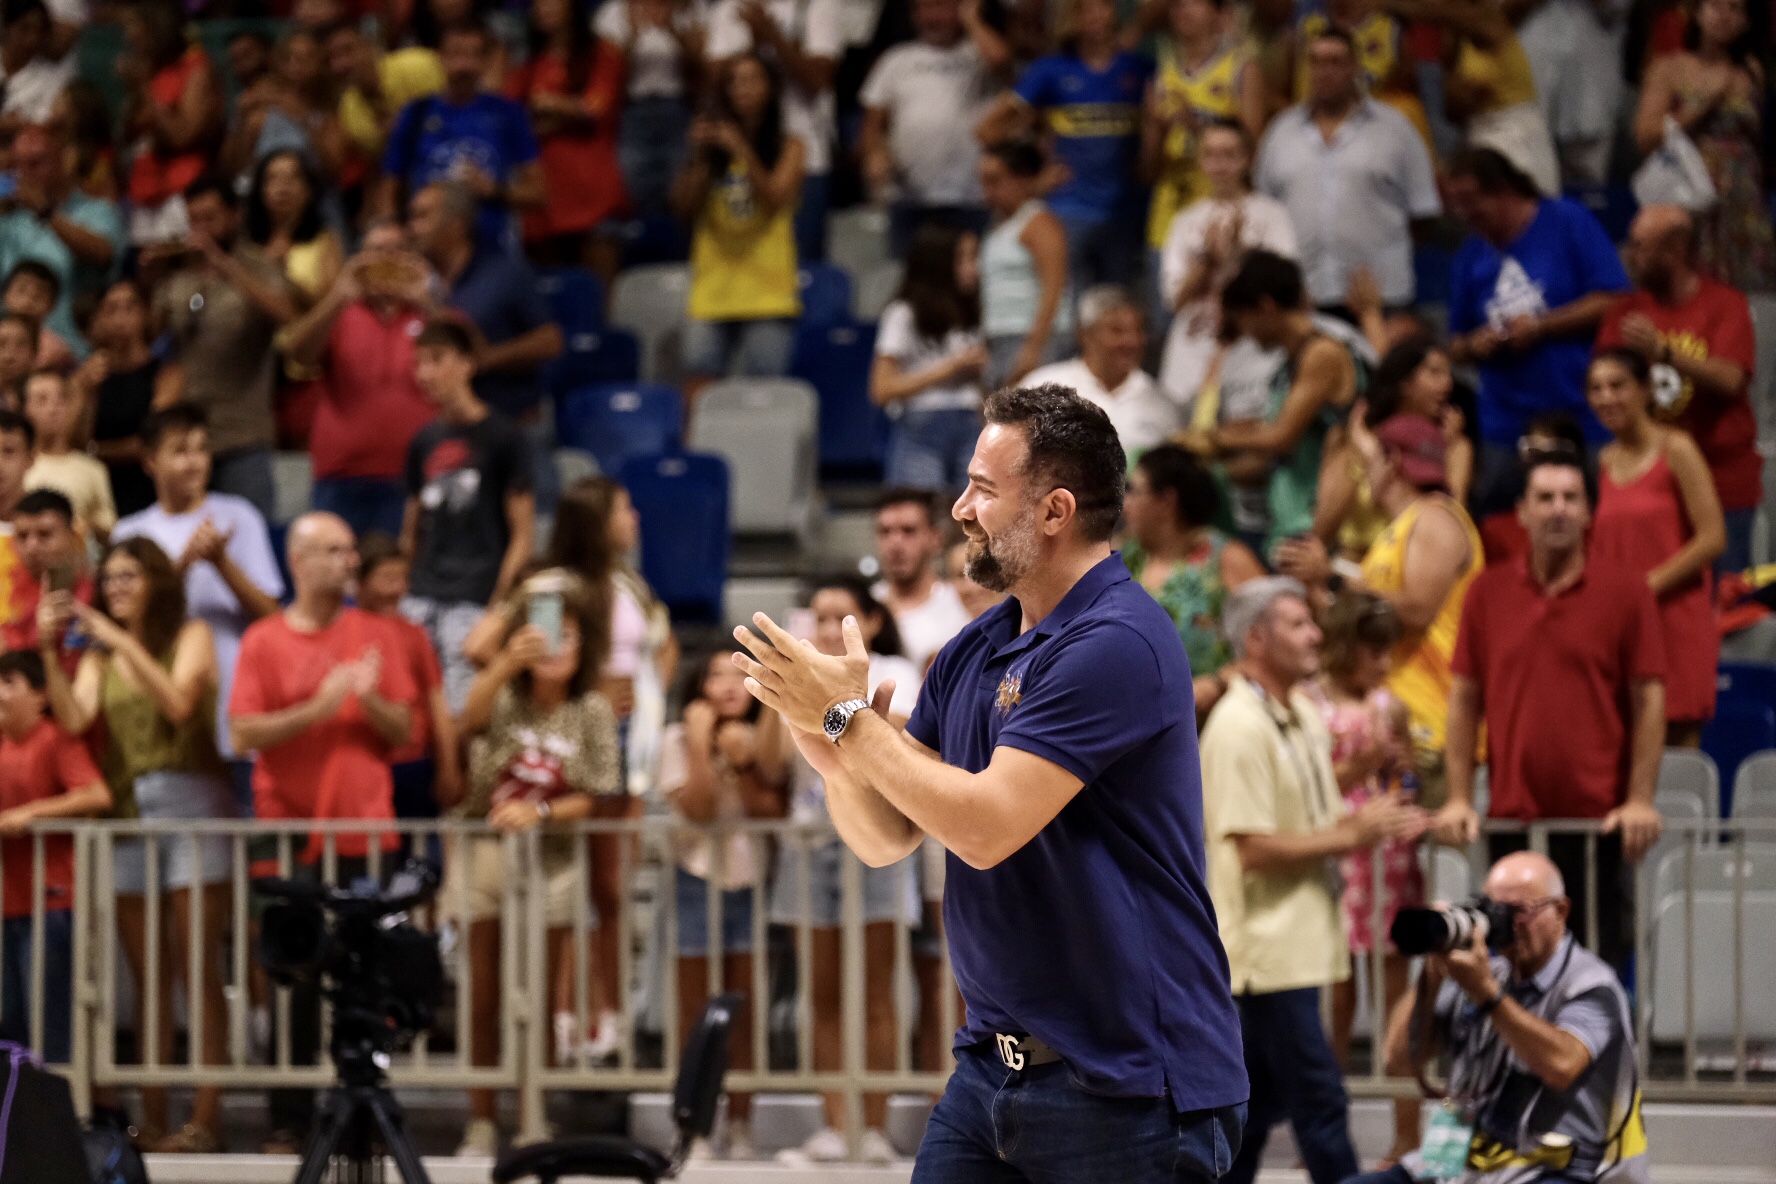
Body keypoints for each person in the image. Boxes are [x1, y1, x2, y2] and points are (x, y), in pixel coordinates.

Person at [732, 384, 1248, 1181]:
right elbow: (887, 837)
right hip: (991, 1072)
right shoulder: (978, 648)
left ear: (1054, 511)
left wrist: (846, 719)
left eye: (983, 488)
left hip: (1129, 1086)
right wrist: (822, 741)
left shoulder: (1117, 641)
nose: (961, 511)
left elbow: (985, 826)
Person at [1200, 576, 1423, 1184]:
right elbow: (1250, 849)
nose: (1316, 635)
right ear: (1256, 639)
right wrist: (1355, 835)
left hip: (1298, 946)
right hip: (1264, 956)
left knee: (1253, 1112)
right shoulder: (1238, 727)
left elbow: (1311, 807)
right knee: (1320, 1105)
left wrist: (1372, 785)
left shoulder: (1300, 712)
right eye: (1299, 624)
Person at [1433, 448, 1666, 974]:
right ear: (1521, 511)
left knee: (1594, 975)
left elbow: (1649, 696)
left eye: (1570, 497)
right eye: (1545, 498)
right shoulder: (1486, 593)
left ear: (1589, 512)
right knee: (1512, 972)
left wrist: (1640, 799)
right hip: (1511, 823)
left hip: (1598, 827)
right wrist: (1457, 797)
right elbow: (1464, 698)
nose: (1558, 509)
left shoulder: (1627, 593)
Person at [228, 511, 416, 1153]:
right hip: (288, 832)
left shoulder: (377, 634)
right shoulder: (263, 640)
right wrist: (320, 707)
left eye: (350, 550)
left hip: (364, 831)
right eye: (334, 551)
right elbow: (242, 733)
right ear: (299, 560)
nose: (349, 561)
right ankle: (290, 1119)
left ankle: (365, 1120)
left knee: (366, 978)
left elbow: (405, 732)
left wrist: (368, 700)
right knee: (294, 977)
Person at [37, 536, 233, 1152]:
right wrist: (48, 651)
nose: (117, 587)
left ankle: (202, 1120)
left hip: (192, 802)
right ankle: (151, 1121)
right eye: (111, 578)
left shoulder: (192, 634)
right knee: (148, 977)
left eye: (129, 576)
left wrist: (121, 641)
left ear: (155, 580)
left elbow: (178, 703)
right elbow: (73, 719)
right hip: (126, 813)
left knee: (198, 969)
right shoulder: (97, 655)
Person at [450, 569, 621, 1155]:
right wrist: (501, 663)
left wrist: (542, 812)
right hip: (485, 852)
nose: (555, 647)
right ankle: (479, 1120)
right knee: (483, 990)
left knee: (543, 995)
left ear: (585, 647)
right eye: (546, 634)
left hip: (553, 861)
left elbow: (597, 791)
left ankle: (532, 1114)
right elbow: (464, 724)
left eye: (568, 637)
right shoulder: (502, 693)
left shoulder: (593, 709)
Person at [1355, 851, 1650, 1184]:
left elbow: (1562, 1065)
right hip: (1467, 1164)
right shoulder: (1484, 974)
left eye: (1520, 912)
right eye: (1495, 911)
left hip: (1566, 1169)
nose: (1508, 925)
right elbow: (1398, 1060)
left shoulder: (1592, 984)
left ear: (1561, 911)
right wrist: (1432, 974)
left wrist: (1488, 996)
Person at [766, 577, 920, 1167]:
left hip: (878, 828)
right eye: (821, 617)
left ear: (869, 622)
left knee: (878, 987)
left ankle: (875, 1126)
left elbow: (906, 739)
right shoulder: (793, 673)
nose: (830, 629)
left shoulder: (893, 668)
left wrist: (841, 710)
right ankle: (836, 1123)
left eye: (842, 616)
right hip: (809, 840)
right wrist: (781, 686)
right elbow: (775, 761)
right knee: (822, 991)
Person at [1443, 148, 1630, 515]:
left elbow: (1614, 298)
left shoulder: (1567, 222)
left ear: (1502, 190)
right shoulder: (1470, 254)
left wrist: (1543, 325)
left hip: (1579, 413)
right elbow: (1455, 343)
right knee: (1501, 523)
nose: (1464, 213)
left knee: (1592, 514)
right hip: (1505, 421)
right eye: (1456, 204)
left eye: (1470, 200)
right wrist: (1476, 344)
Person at [656, 651, 787, 1160]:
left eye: (740, 675)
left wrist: (744, 761)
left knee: (744, 1007)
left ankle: (740, 1124)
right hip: (694, 877)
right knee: (694, 1009)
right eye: (716, 675)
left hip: (750, 880)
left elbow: (768, 809)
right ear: (698, 685)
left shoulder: (763, 737)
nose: (729, 685)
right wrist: (697, 739)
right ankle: (694, 1124)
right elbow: (699, 808)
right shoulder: (676, 738)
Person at [112, 404, 284, 787]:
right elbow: (123, 621)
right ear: (150, 461)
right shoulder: (130, 533)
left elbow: (272, 617)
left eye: (201, 449)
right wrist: (181, 567)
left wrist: (222, 562)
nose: (195, 462)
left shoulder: (239, 517)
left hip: (233, 700)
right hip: (159, 699)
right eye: (180, 451)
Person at [1306, 592, 1421, 1164]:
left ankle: (1408, 1135)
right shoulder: (1310, 704)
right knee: (1336, 1013)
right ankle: (1323, 1136)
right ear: (1346, 647)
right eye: (1372, 652)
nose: (1382, 664)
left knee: (1398, 1008)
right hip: (1336, 856)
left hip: (1389, 863)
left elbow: (1407, 781)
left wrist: (1402, 774)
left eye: (1388, 653)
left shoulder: (1390, 705)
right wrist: (1365, 762)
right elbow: (1313, 782)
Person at [1597, 204, 1760, 573]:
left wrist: (1663, 353)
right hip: (1648, 488)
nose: (1630, 256)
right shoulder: (1624, 312)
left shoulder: (1725, 305)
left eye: (1640, 246)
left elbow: (1730, 380)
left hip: (1723, 483)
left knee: (1727, 607)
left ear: (1675, 251)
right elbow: (1606, 383)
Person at [1254, 28, 1440, 328]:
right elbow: (1264, 214)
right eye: (1315, 62)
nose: (1324, 71)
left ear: (1355, 66)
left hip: (1380, 298)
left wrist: (1378, 256)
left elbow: (1423, 213)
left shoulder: (1395, 130)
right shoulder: (1280, 133)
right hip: (1302, 298)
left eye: (1335, 61)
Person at [1587, 349, 1724, 747]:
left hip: (1675, 620)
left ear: (1646, 389)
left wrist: (1645, 587)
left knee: (1678, 743)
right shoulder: (1603, 462)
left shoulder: (1677, 449)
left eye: (1617, 386)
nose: (1606, 398)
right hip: (1622, 625)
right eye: (1595, 389)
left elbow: (1713, 537)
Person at [402, 319, 537, 711]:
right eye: (419, 363)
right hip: (423, 597)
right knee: (417, 714)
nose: (425, 373)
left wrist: (497, 609)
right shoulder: (423, 442)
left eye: (437, 359)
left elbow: (522, 536)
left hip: (475, 599)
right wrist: (407, 590)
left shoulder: (505, 438)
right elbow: (411, 528)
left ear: (467, 364)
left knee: (465, 712)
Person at [279, 221, 440, 540]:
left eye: (396, 251)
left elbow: (468, 357)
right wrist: (339, 296)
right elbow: (297, 354)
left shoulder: (429, 315)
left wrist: (428, 301)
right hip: (341, 476)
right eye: (376, 252)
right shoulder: (340, 313)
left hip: (413, 476)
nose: (385, 260)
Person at [152, 174, 299, 521]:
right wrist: (153, 275)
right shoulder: (185, 275)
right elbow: (159, 334)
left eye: (211, 218)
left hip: (242, 437)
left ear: (235, 215)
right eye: (194, 220)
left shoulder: (259, 266)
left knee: (249, 541)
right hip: (189, 439)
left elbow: (287, 316)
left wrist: (225, 266)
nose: (201, 229)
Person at [976, 0, 1150, 292]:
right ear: (1072, 19)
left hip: (1125, 211)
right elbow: (988, 131)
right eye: (1085, 10)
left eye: (1103, 7)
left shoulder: (1139, 69)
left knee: (1117, 307)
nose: (1095, 16)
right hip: (1069, 208)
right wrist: (1034, 180)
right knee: (1066, 307)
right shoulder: (1051, 71)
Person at [1209, 249, 1361, 556]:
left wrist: (1215, 438)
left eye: (1244, 319)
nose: (1246, 334)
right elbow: (1272, 437)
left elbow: (1281, 437)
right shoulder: (1287, 365)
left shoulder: (1322, 354)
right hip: (1288, 522)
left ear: (1265, 307)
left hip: (1321, 525)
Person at [674, 52, 805, 405]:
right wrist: (698, 154)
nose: (743, 88)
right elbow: (681, 207)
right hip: (712, 287)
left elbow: (776, 197)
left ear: (771, 88)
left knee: (765, 395)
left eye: (752, 79)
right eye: (734, 81)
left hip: (768, 290)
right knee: (698, 389)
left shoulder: (790, 145)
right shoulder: (710, 150)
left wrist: (740, 148)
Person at [0, 648, 109, 1067]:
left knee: (51, 1024)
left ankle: (58, 1122)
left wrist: (31, 814)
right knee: (11, 1022)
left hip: (52, 900)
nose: (2, 693)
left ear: (40, 695)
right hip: (9, 902)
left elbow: (96, 794)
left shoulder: (55, 738)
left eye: (11, 683)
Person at [1632, 0, 1775, 293]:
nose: (1724, 16)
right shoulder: (1669, 67)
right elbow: (1645, 137)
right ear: (1696, 12)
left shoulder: (1752, 71)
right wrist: (1700, 107)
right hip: (1688, 192)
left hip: (1741, 198)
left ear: (1746, 21)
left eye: (1735, 9)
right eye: (1716, 6)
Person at [406, 181, 564, 441]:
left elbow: (551, 341)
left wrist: (488, 358)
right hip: (448, 432)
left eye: (423, 216)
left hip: (512, 426)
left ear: (456, 224)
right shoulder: (415, 281)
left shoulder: (504, 273)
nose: (413, 228)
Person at [1157, 119, 1295, 408]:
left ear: (1247, 158)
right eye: (1210, 154)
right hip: (1193, 347)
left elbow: (1286, 294)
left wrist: (1236, 258)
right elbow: (1174, 300)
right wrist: (1206, 261)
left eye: (1229, 155)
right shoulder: (1185, 220)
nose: (1219, 165)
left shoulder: (1273, 215)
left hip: (1253, 351)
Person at [1120, 444, 1263, 717]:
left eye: (1134, 491)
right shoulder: (1126, 559)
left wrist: (1218, 683)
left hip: (1210, 721)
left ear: (1166, 501)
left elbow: (1272, 644)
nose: (1125, 505)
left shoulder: (1226, 559)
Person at [858, 0, 1007, 254]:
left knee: (970, 283)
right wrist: (875, 153)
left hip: (971, 198)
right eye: (925, 8)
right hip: (909, 199)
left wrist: (972, 19)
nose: (933, 17)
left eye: (942, 7)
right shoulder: (896, 60)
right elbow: (872, 126)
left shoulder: (978, 55)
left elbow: (1001, 61)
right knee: (908, 284)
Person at [378, 22, 545, 242]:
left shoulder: (508, 113)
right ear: (440, 58)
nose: (463, 65)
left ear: (485, 62)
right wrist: (391, 228)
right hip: (428, 244)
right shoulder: (417, 112)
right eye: (455, 54)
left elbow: (538, 192)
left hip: (492, 247)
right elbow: (389, 187)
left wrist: (494, 189)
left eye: (473, 55)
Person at [1311, 337, 1472, 561]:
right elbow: (1322, 532)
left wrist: (1439, 453)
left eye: (1448, 374)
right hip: (1355, 566)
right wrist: (1364, 453)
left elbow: (1454, 525)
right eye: (1435, 373)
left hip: (1417, 566)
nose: (1447, 384)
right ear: (1404, 383)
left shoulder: (1457, 447)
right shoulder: (1349, 441)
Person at [704, 0, 841, 262]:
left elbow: (818, 80)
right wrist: (755, 45)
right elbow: (715, 80)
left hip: (806, 156)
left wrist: (772, 37)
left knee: (802, 262)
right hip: (742, 152)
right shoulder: (728, 9)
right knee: (745, 258)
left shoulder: (815, 6)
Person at [506, 0, 628, 270]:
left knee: (595, 301)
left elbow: (596, 109)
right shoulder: (527, 66)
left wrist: (547, 105)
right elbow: (512, 120)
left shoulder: (602, 54)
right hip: (544, 198)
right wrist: (566, 112)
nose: (544, 7)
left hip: (593, 191)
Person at [1141, 0, 1265, 267]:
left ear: (1220, 14)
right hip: (1168, 222)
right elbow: (1148, 171)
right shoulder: (1163, 74)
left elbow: (1253, 150)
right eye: (1177, 4)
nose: (1183, 8)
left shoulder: (1242, 68)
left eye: (1195, 2)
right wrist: (1157, 131)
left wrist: (1196, 125)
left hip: (1225, 222)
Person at [1393, 0, 1559, 196]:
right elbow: (1454, 108)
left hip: (1518, 133)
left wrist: (1386, 4)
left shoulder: (1491, 23)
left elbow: (1439, 11)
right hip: (1478, 134)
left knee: (1525, 209)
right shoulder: (1457, 45)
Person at [871, 224, 986, 493]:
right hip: (922, 426)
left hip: (970, 424)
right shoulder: (903, 314)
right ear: (939, 264)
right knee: (922, 511)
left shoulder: (969, 314)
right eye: (964, 258)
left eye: (974, 257)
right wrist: (950, 368)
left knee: (973, 522)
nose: (974, 268)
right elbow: (882, 389)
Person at [0, 124, 124, 356]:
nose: (25, 174)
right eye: (18, 166)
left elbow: (102, 253)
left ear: (64, 159)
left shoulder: (97, 212)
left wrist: (46, 212)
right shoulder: (10, 222)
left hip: (70, 352)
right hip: (11, 356)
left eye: (36, 163)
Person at [1025, 286, 1179, 459]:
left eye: (1139, 330)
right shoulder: (1042, 388)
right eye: (1117, 331)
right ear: (1085, 334)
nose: (1132, 341)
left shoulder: (1162, 404)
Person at [119, 1, 222, 247]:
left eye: (135, 25)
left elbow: (182, 134)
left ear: (156, 27)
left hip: (180, 192)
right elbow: (128, 135)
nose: (129, 34)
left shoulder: (195, 69)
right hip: (144, 192)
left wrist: (144, 87)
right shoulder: (151, 72)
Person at [976, 138, 1069, 388]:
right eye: (983, 181)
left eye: (995, 181)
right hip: (1001, 336)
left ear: (1023, 179)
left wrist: (1034, 347)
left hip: (1031, 336)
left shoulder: (1039, 224)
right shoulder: (997, 224)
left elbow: (1054, 287)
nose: (987, 191)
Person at [598, 0, 706, 215]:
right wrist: (632, 36)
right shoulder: (614, 11)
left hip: (677, 108)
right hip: (633, 110)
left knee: (680, 188)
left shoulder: (690, 8)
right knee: (633, 184)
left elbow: (701, 71)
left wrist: (674, 31)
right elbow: (608, 75)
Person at [75, 280, 163, 519]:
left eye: (130, 307)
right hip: (102, 488)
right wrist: (87, 391)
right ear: (99, 320)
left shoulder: (165, 372)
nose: (122, 317)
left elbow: (151, 442)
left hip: (150, 485)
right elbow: (77, 440)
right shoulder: (88, 375)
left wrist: (94, 450)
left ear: (145, 314)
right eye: (111, 309)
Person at [871, 489, 973, 673]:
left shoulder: (961, 605)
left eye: (908, 531)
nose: (895, 543)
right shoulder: (864, 606)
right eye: (885, 532)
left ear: (935, 538)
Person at [23, 368, 114, 540]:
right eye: (42, 400)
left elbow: (110, 529)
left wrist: (82, 528)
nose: (53, 408)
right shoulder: (15, 466)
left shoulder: (93, 469)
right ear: (26, 408)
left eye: (61, 399)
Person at [5, 487, 91, 667]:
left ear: (73, 537)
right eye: (22, 536)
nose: (32, 547)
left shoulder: (99, 593)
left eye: (44, 534)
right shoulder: (4, 589)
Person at [0, 0, 73, 130]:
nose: (32, 39)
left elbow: (43, 126)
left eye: (38, 31)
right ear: (7, 27)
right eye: (24, 29)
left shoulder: (51, 79)